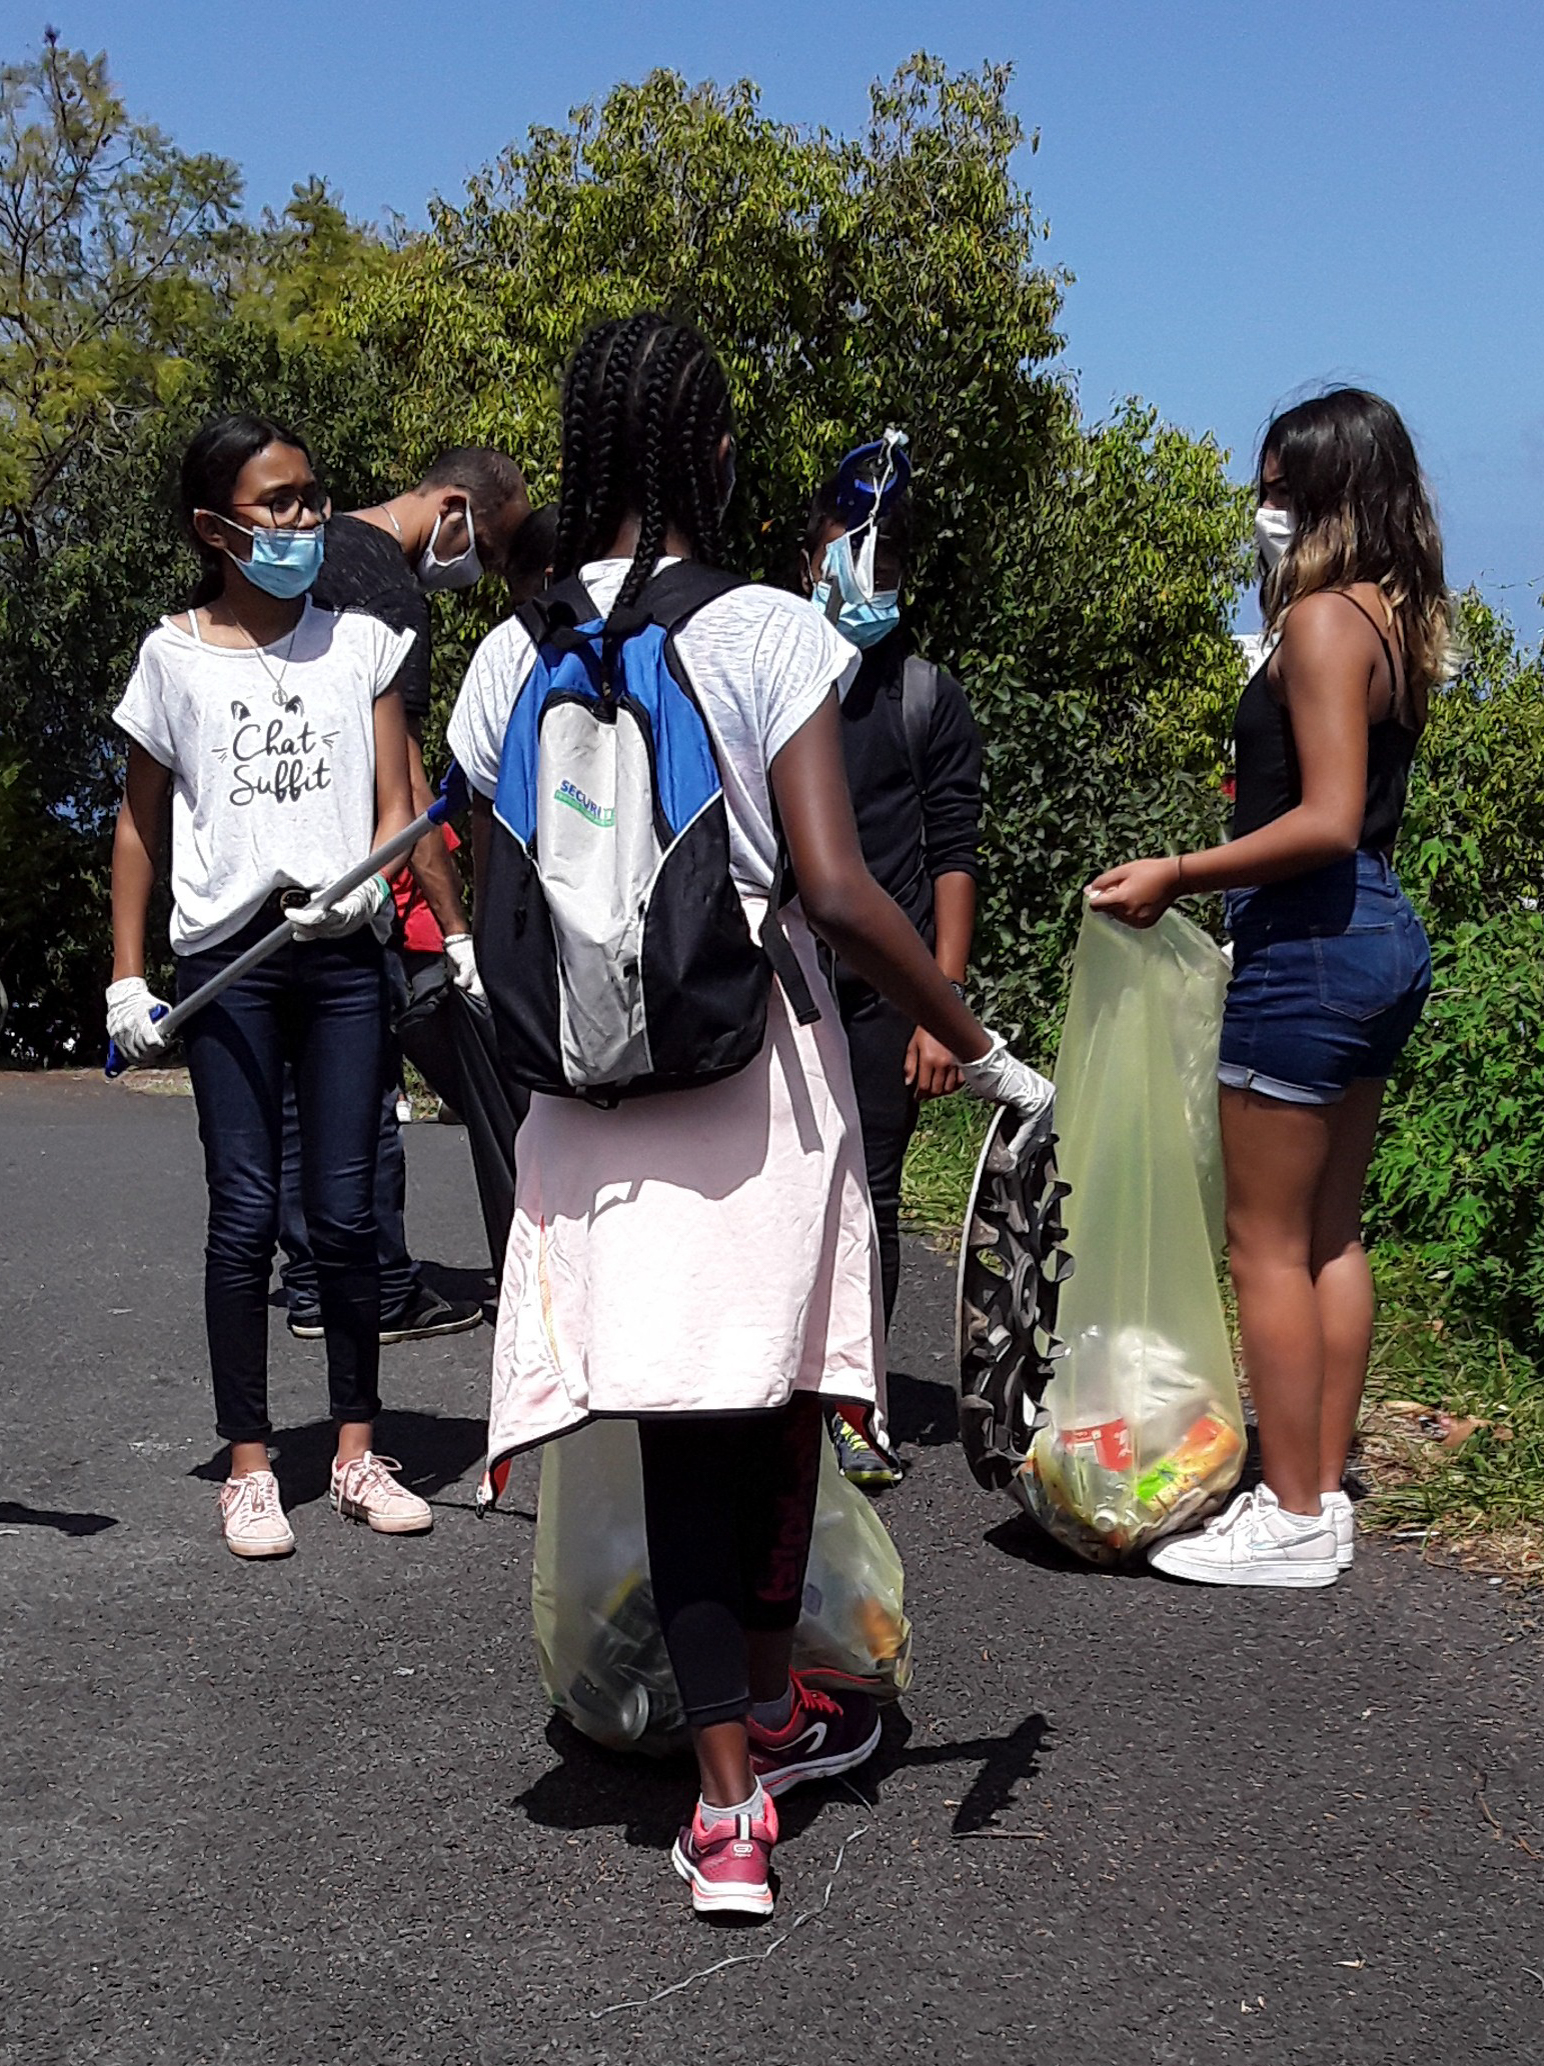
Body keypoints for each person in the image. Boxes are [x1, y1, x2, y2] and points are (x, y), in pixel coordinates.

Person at [449, 312, 1051, 1921]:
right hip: (753, 1082)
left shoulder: (507, 655)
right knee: (765, 1406)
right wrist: (978, 1043)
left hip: (587, 1100)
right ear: (709, 452)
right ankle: (743, 1776)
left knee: (688, 1430)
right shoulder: (767, 631)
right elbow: (837, 888)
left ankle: (743, 1756)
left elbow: (494, 872)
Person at [1089, 388, 1447, 1590]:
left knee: (1264, 1243)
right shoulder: (1391, 617)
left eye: (1281, 490)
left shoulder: (1321, 622)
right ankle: (1319, 1490)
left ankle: (1290, 1511)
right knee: (1330, 1229)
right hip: (1374, 936)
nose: (1265, 510)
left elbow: (1327, 817)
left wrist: (1179, 872)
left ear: (1332, 492)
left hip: (1309, 945)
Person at [106, 414, 437, 1556]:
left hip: (340, 955)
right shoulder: (171, 657)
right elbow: (139, 824)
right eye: (278, 503)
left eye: (311, 496)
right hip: (228, 963)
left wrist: (370, 884)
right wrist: (127, 977)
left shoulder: (362, 643)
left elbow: (398, 804)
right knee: (245, 1211)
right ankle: (248, 1467)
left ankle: (355, 1450)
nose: (306, 519)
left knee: (346, 1214)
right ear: (215, 528)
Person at [278, 448, 532, 1340]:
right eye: (488, 549)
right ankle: (378, 1288)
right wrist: (459, 931)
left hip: (280, 868)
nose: (480, 572)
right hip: (357, 882)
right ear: (453, 509)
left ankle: (312, 1283)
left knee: (300, 1095)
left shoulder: (312, 554)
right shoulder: (388, 588)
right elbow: (408, 785)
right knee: (361, 1093)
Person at [798, 439, 984, 1487]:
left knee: (868, 1193)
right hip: (778, 983)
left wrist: (939, 1004)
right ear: (810, 556)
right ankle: (772, 1398)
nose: (866, 578)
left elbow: (953, 849)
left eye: (888, 561)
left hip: (885, 993)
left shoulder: (924, 696)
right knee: (775, 1191)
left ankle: (856, 1402)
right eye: (849, 552)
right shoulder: (769, 676)